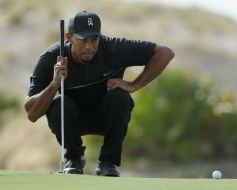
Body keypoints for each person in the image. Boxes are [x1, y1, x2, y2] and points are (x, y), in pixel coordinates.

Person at [24, 11, 174, 176]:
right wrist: (54, 84)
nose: (89, 46)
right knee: (58, 105)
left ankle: (108, 162)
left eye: (94, 39)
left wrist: (134, 85)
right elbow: (31, 114)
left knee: (121, 97)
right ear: (69, 37)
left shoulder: (114, 48)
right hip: (72, 121)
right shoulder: (51, 57)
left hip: (107, 117)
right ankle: (74, 159)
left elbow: (165, 53)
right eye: (83, 40)